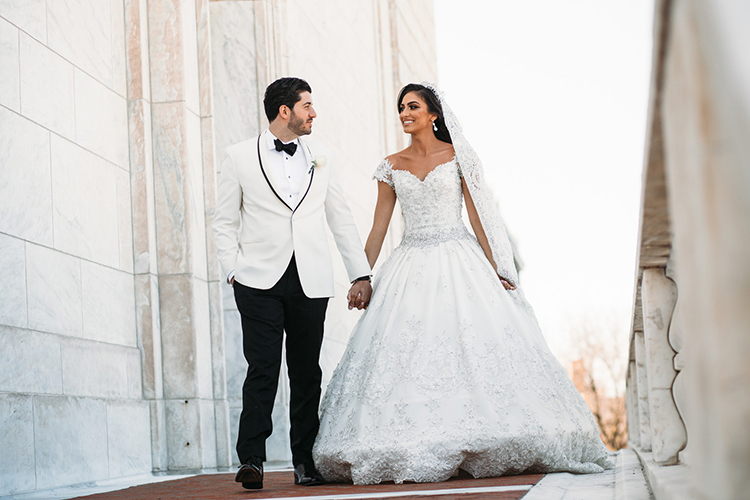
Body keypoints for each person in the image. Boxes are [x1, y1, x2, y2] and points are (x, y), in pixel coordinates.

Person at [312, 83, 613, 484]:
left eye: (413, 106)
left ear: (434, 114)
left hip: (459, 259)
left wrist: (498, 267)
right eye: (401, 107)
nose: (404, 112)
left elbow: (478, 218)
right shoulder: (390, 165)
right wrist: (360, 277)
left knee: (471, 343)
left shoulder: (457, 157)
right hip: (409, 265)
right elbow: (378, 229)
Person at [213, 77, 373, 490]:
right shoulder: (238, 156)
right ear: (284, 110)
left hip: (310, 279)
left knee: (306, 373)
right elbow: (224, 222)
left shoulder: (323, 157)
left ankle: (305, 461)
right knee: (262, 370)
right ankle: (251, 459)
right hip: (257, 280)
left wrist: (360, 272)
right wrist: (233, 269)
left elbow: (340, 217)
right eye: (307, 106)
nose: (313, 113)